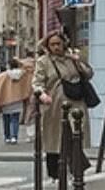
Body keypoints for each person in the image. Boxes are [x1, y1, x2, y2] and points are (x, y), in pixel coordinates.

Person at [32, 33, 93, 179]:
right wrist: (42, 94)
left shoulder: (72, 58)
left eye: (58, 44)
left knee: (75, 135)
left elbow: (89, 74)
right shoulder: (43, 61)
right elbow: (37, 82)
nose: (56, 47)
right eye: (52, 44)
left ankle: (76, 169)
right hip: (54, 105)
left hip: (75, 102)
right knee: (54, 139)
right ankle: (55, 173)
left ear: (64, 43)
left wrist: (78, 62)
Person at [0, 56, 32, 143]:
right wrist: (21, 62)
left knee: (6, 119)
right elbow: (30, 67)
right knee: (15, 119)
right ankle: (14, 137)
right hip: (18, 100)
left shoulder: (3, 76)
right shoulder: (23, 75)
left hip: (5, 100)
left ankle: (7, 137)